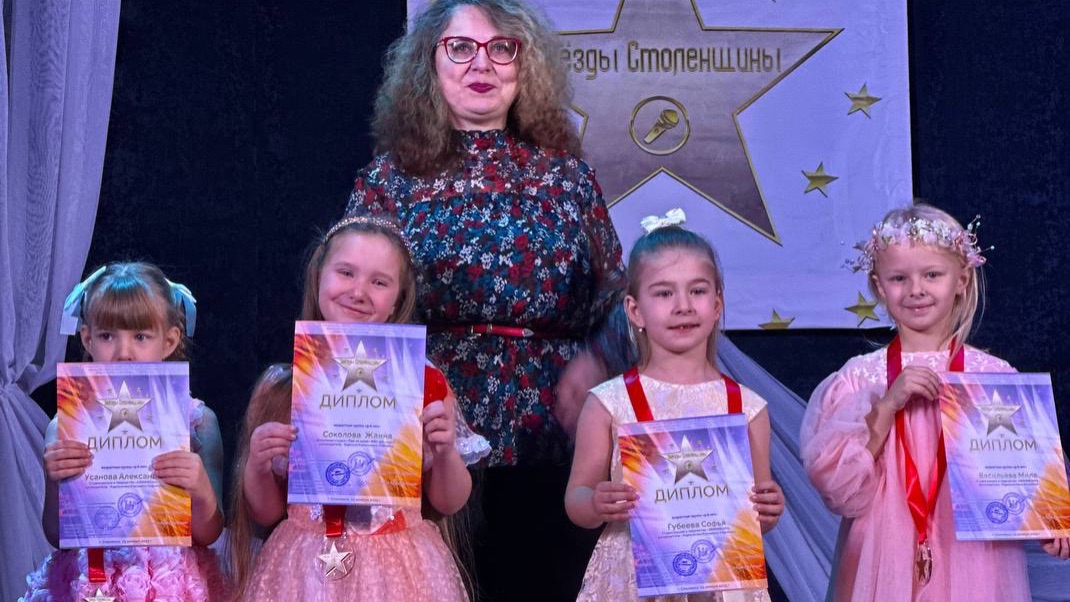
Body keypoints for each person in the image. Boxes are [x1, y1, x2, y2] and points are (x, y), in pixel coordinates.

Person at [344, 1, 627, 599]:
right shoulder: (388, 180)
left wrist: (597, 359)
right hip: (429, 435)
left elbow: (616, 299)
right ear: (429, 64)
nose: (483, 64)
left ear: (526, 67)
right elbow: (350, 308)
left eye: (502, 48)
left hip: (552, 433)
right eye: (461, 47)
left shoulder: (567, 178)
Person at [800, 203, 1070, 601]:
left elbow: (1025, 473)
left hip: (973, 561)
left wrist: (1049, 520)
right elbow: (839, 489)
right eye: (899, 278)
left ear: (961, 279)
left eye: (932, 275)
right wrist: (887, 405)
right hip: (884, 556)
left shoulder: (992, 378)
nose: (916, 290)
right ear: (879, 286)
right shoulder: (860, 379)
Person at [230, 216, 488, 601]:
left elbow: (449, 501)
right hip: (303, 569)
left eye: (379, 282)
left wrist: (446, 451)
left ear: (398, 300)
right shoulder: (283, 386)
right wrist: (258, 464)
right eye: (346, 272)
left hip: (399, 571)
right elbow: (264, 513)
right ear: (318, 278)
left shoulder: (424, 382)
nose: (358, 291)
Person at [565, 210, 785, 602]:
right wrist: (596, 502)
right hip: (633, 582)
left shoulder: (747, 408)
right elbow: (576, 498)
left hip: (722, 585)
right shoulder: (609, 404)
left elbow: (753, 517)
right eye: (664, 293)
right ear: (635, 310)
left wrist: (767, 510)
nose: (683, 305)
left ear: (717, 304)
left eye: (697, 291)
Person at [21, 262, 228, 601]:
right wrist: (57, 482)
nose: (123, 353)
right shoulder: (66, 427)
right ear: (87, 338)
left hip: (171, 583)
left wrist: (201, 488)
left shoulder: (197, 421)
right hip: (90, 580)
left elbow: (209, 533)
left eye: (141, 336)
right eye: (107, 336)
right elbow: (57, 535)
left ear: (169, 340)